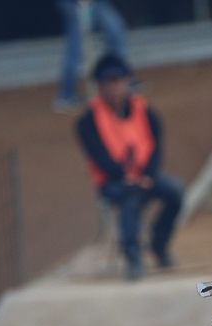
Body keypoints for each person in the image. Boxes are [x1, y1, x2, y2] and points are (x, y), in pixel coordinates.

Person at [76, 54, 183, 281]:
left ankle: (159, 245)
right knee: (130, 196)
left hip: (145, 175)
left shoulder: (145, 111)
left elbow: (155, 146)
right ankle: (133, 258)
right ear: (100, 86)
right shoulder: (88, 120)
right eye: (108, 82)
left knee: (175, 190)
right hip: (112, 181)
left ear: (127, 81)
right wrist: (124, 176)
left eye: (118, 80)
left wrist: (147, 175)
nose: (114, 87)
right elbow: (98, 155)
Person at [55, 0, 129, 112]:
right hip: (74, 4)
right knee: (75, 49)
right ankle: (66, 95)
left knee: (116, 34)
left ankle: (121, 82)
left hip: (97, 3)